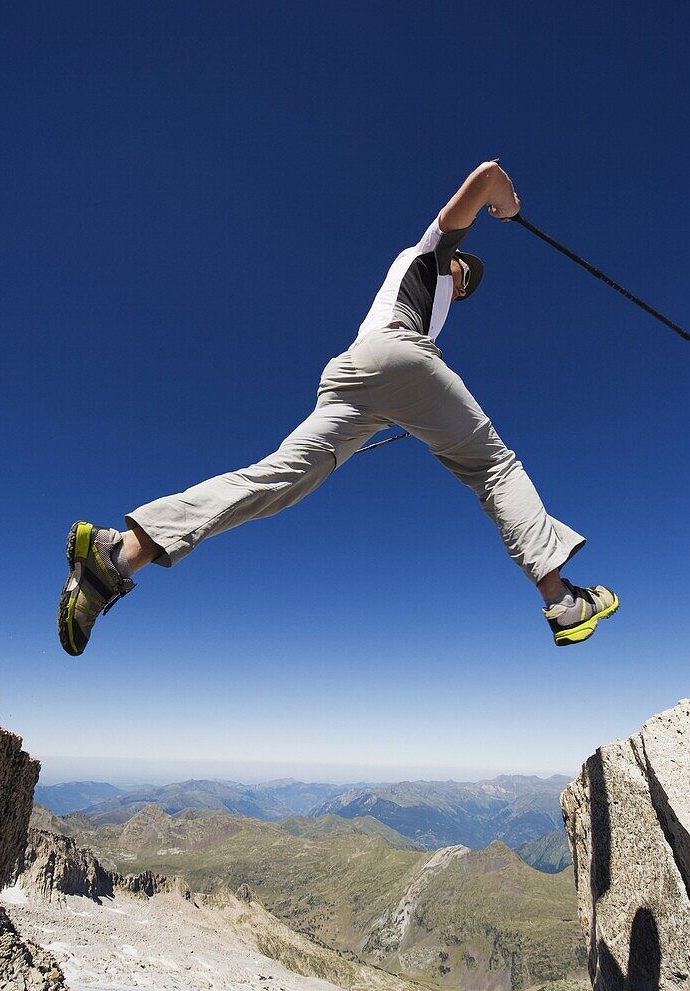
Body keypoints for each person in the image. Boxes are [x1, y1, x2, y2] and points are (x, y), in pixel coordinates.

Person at [58, 160, 618, 656]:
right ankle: (564, 600)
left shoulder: (429, 297)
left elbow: (399, 368)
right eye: (464, 270)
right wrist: (507, 204)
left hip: (355, 378)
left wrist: (400, 405)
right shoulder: (429, 256)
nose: (465, 280)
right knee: (493, 466)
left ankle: (116, 556)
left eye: (468, 280)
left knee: (275, 482)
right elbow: (487, 176)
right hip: (397, 356)